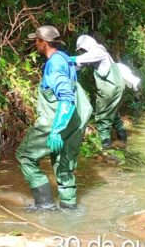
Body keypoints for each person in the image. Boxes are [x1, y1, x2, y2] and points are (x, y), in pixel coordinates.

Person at [16, 25, 92, 210]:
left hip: (57, 120)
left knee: (25, 156)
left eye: (36, 40)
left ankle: (45, 205)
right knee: (63, 165)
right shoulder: (65, 58)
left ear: (43, 43)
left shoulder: (54, 65)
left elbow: (66, 97)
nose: (35, 43)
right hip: (75, 121)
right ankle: (69, 210)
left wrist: (56, 130)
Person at [73, 34, 128, 149]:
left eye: (82, 49)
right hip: (117, 87)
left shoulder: (97, 51)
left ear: (86, 46)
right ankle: (123, 141)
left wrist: (61, 59)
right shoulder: (97, 54)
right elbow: (79, 65)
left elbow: (79, 59)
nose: (82, 52)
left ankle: (105, 147)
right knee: (113, 115)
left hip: (109, 88)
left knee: (103, 117)